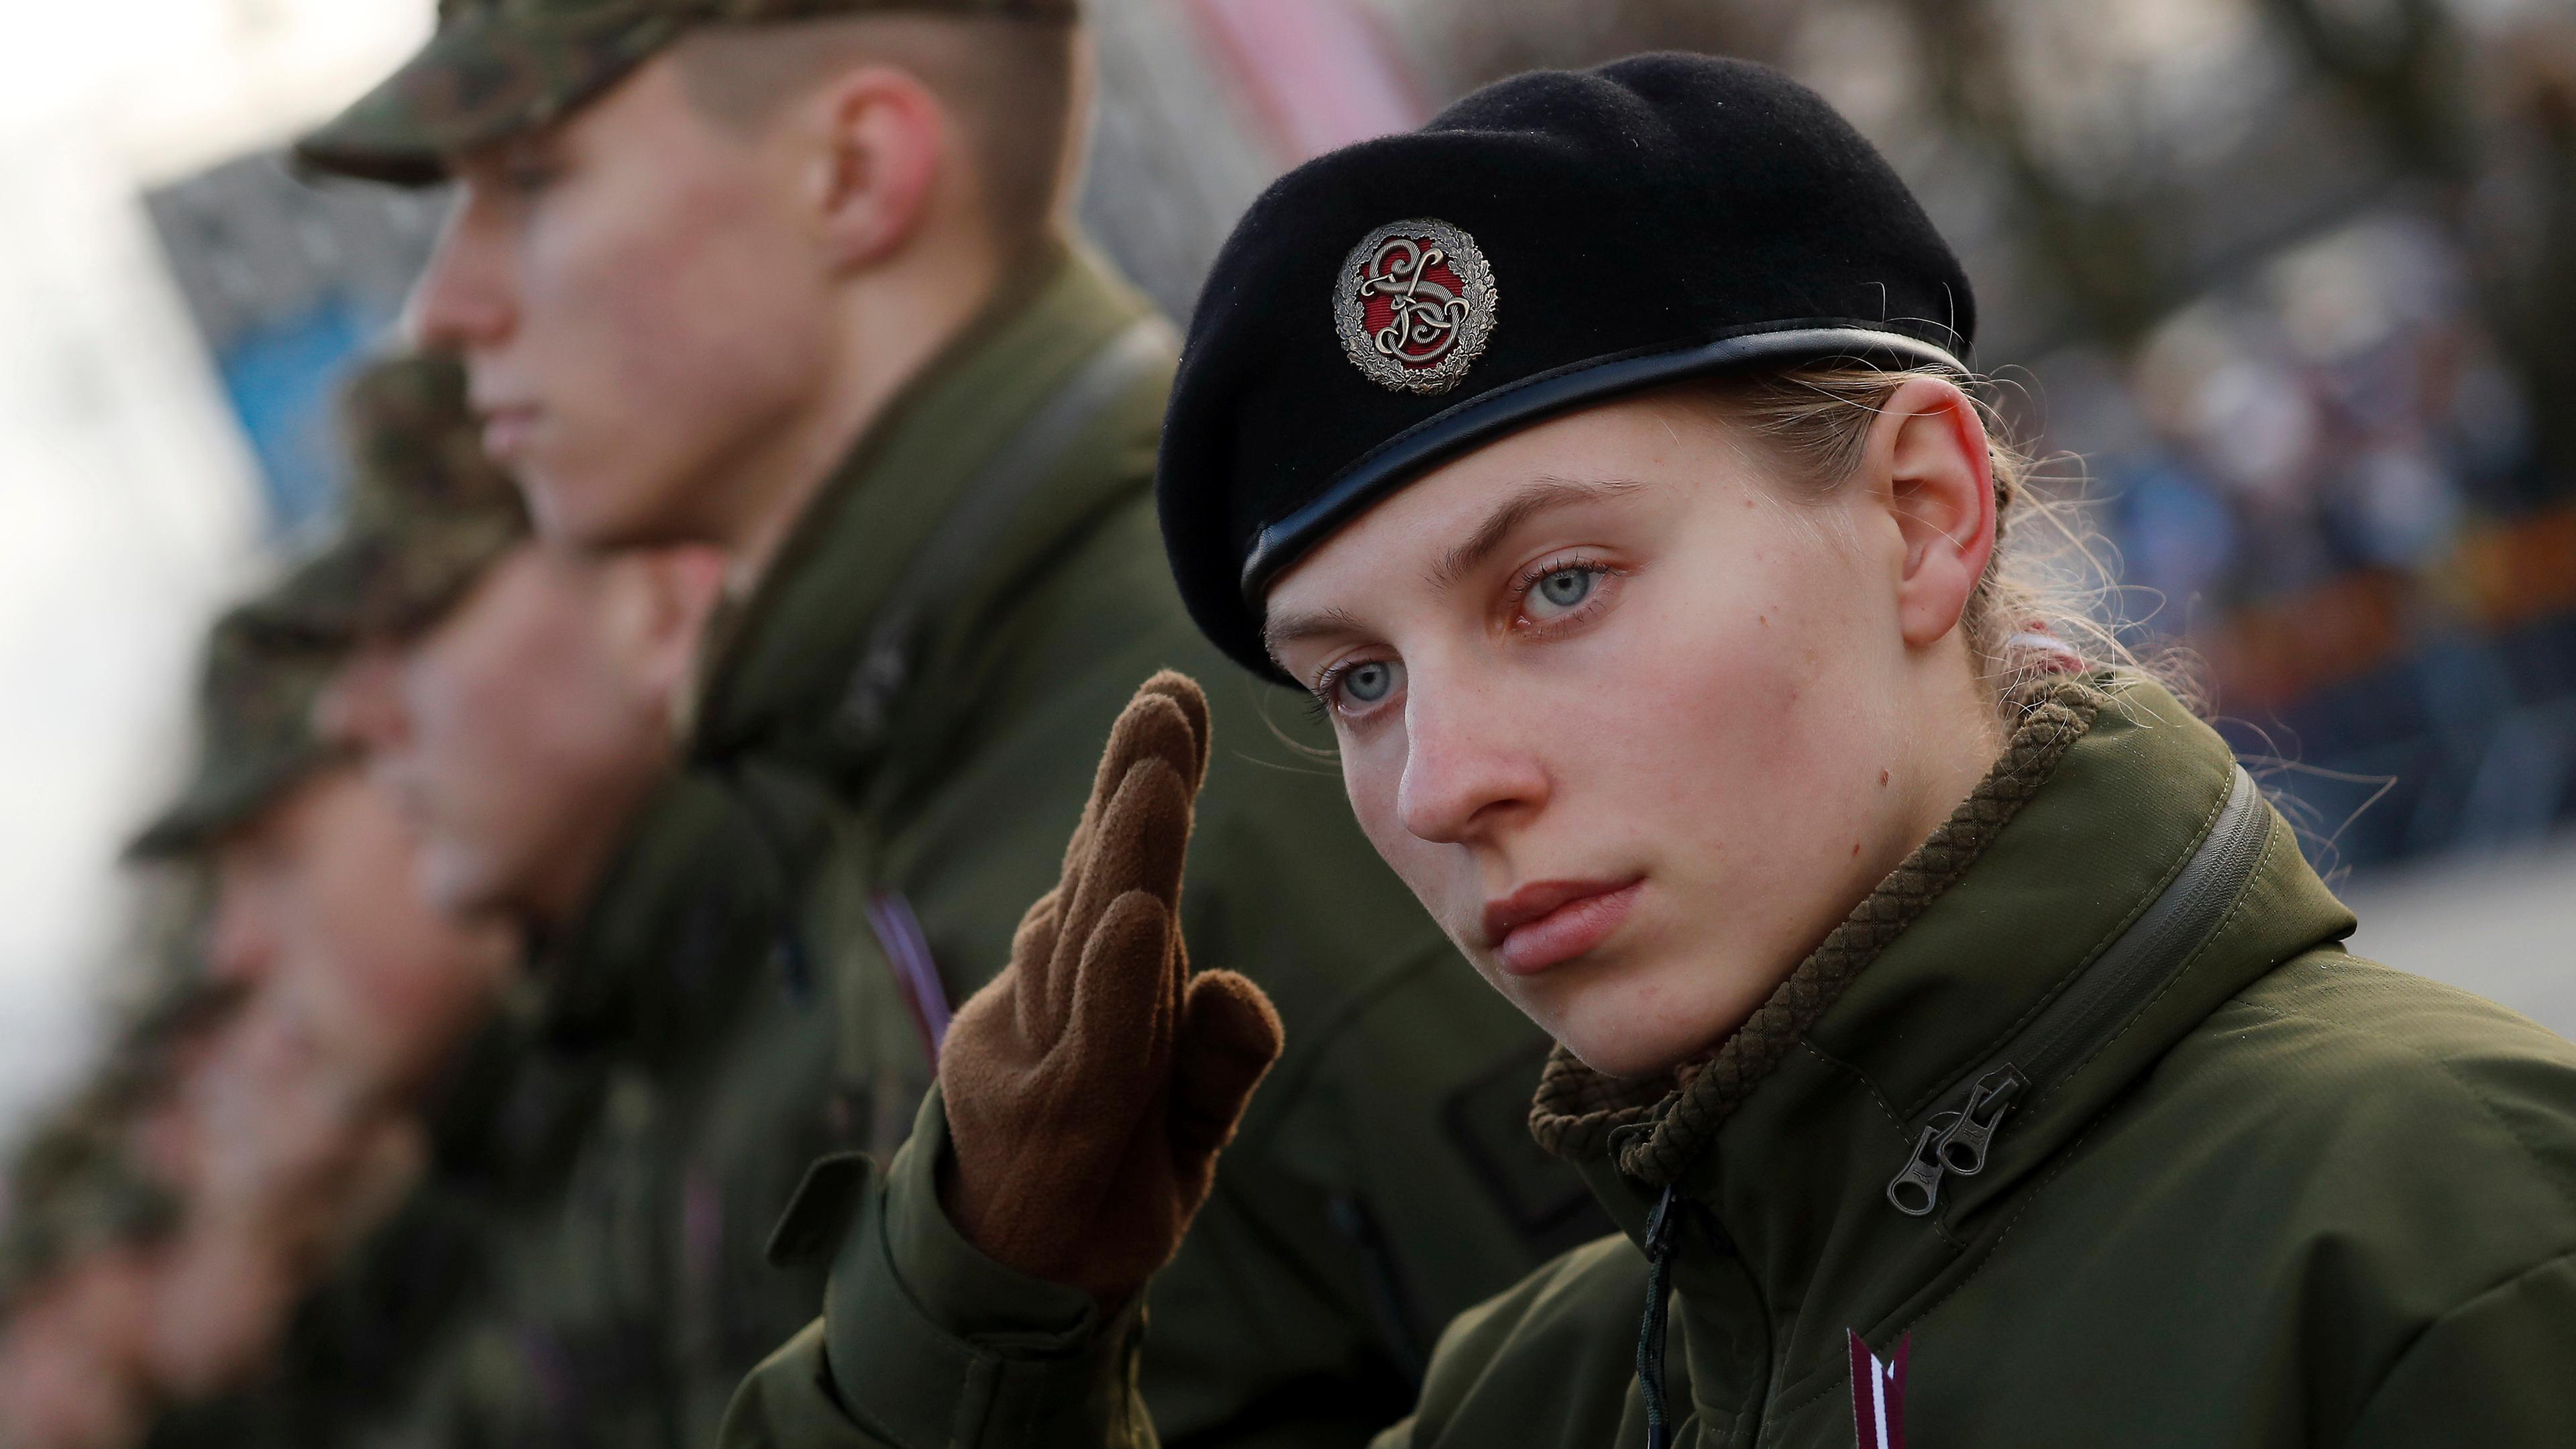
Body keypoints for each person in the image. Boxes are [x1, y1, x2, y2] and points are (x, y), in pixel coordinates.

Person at [720, 54, 2576, 1448]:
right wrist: (978, 1314)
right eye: (1357, 680)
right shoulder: (1534, 1394)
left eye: (1558, 584)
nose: (1445, 784)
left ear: (1924, 515)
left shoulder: (2442, 1242)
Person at [298, 3, 1588, 1440]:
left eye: (531, 184)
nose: (445, 307)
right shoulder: (913, 747)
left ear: (854, 171)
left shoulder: (1247, 710)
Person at [311, 354, 830, 1447]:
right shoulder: (674, 1068)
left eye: (415, 614)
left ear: (659, 598)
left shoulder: (862, 977)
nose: (354, 718)